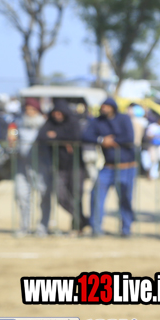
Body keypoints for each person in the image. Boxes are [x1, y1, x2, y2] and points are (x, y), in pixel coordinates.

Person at [82, 98, 136, 237]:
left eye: (107, 106)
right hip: (108, 166)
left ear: (113, 107)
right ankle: (96, 228)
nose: (104, 108)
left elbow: (129, 137)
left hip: (127, 166)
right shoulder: (97, 121)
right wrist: (101, 140)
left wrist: (113, 141)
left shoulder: (124, 118)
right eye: (103, 106)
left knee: (125, 199)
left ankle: (126, 229)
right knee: (96, 194)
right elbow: (86, 135)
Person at [40, 99, 86, 232]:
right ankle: (82, 219)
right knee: (61, 195)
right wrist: (63, 140)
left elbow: (76, 137)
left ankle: (77, 226)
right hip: (59, 165)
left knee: (76, 195)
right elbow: (42, 136)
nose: (57, 116)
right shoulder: (50, 122)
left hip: (76, 165)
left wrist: (55, 136)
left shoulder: (73, 121)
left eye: (60, 113)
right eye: (55, 113)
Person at [12, 99, 50, 236]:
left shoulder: (44, 123)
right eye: (27, 109)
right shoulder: (18, 123)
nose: (29, 112)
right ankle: (25, 226)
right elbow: (13, 140)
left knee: (44, 194)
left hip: (41, 164)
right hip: (22, 164)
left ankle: (43, 226)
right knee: (21, 194)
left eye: (32, 109)